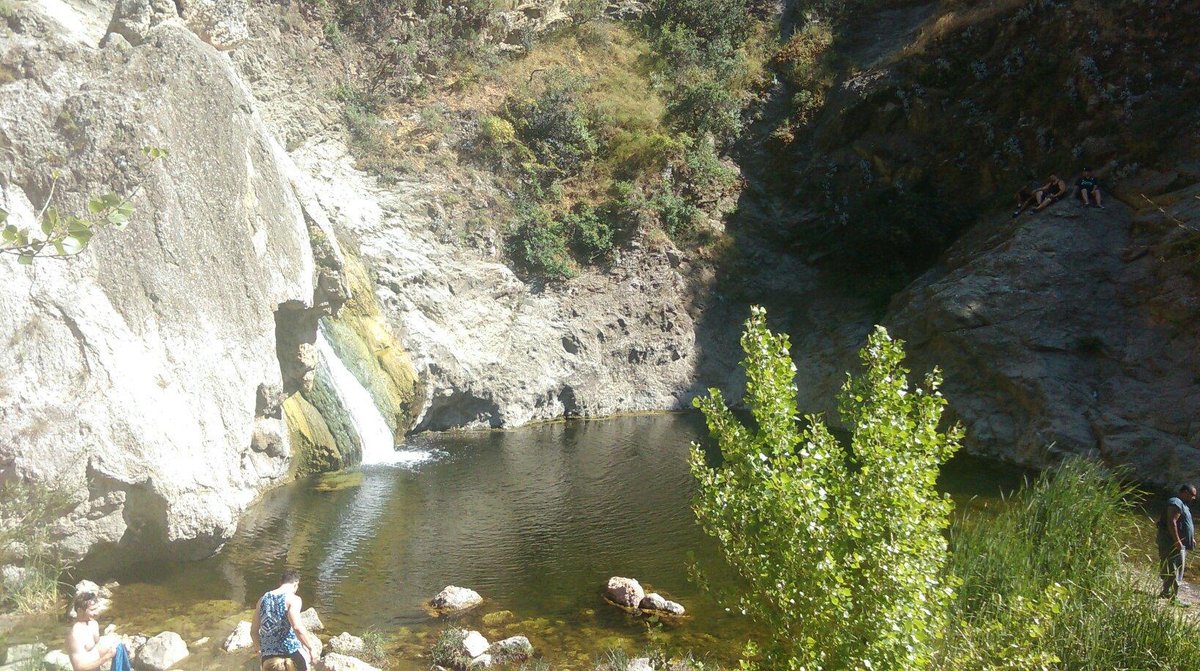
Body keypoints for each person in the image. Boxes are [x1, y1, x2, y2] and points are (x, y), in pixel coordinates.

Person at [251, 570, 320, 671]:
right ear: (296, 584)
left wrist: (259, 651)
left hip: (268, 656)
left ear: (280, 582)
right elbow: (297, 628)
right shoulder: (293, 599)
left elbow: (253, 632)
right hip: (289, 652)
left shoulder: (262, 600)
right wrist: (311, 648)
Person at [66, 592, 128, 671]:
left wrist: (117, 646)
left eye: (96, 609)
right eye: (92, 610)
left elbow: (96, 648)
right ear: (80, 611)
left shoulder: (93, 624)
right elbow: (79, 668)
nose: (96, 613)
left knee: (117, 643)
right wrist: (107, 656)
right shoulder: (74, 636)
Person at [1157, 483, 1197, 603]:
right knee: (1176, 569)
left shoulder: (1183, 505)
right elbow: (1172, 522)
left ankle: (1166, 593)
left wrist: (1191, 538)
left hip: (1176, 543)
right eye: (1192, 495)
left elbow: (1183, 523)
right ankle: (1174, 598)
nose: (1194, 498)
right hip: (1172, 543)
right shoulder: (1176, 502)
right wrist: (1178, 541)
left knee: (1171, 568)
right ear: (1184, 492)